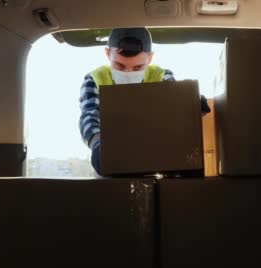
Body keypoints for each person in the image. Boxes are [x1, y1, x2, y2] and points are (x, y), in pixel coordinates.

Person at [79, 27, 210, 175]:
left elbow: (175, 102)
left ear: (150, 57)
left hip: (156, 150)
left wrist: (192, 101)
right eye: (120, 66)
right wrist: (97, 144)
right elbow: (89, 115)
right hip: (114, 153)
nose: (128, 73)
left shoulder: (161, 76)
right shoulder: (94, 78)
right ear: (108, 54)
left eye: (138, 67)